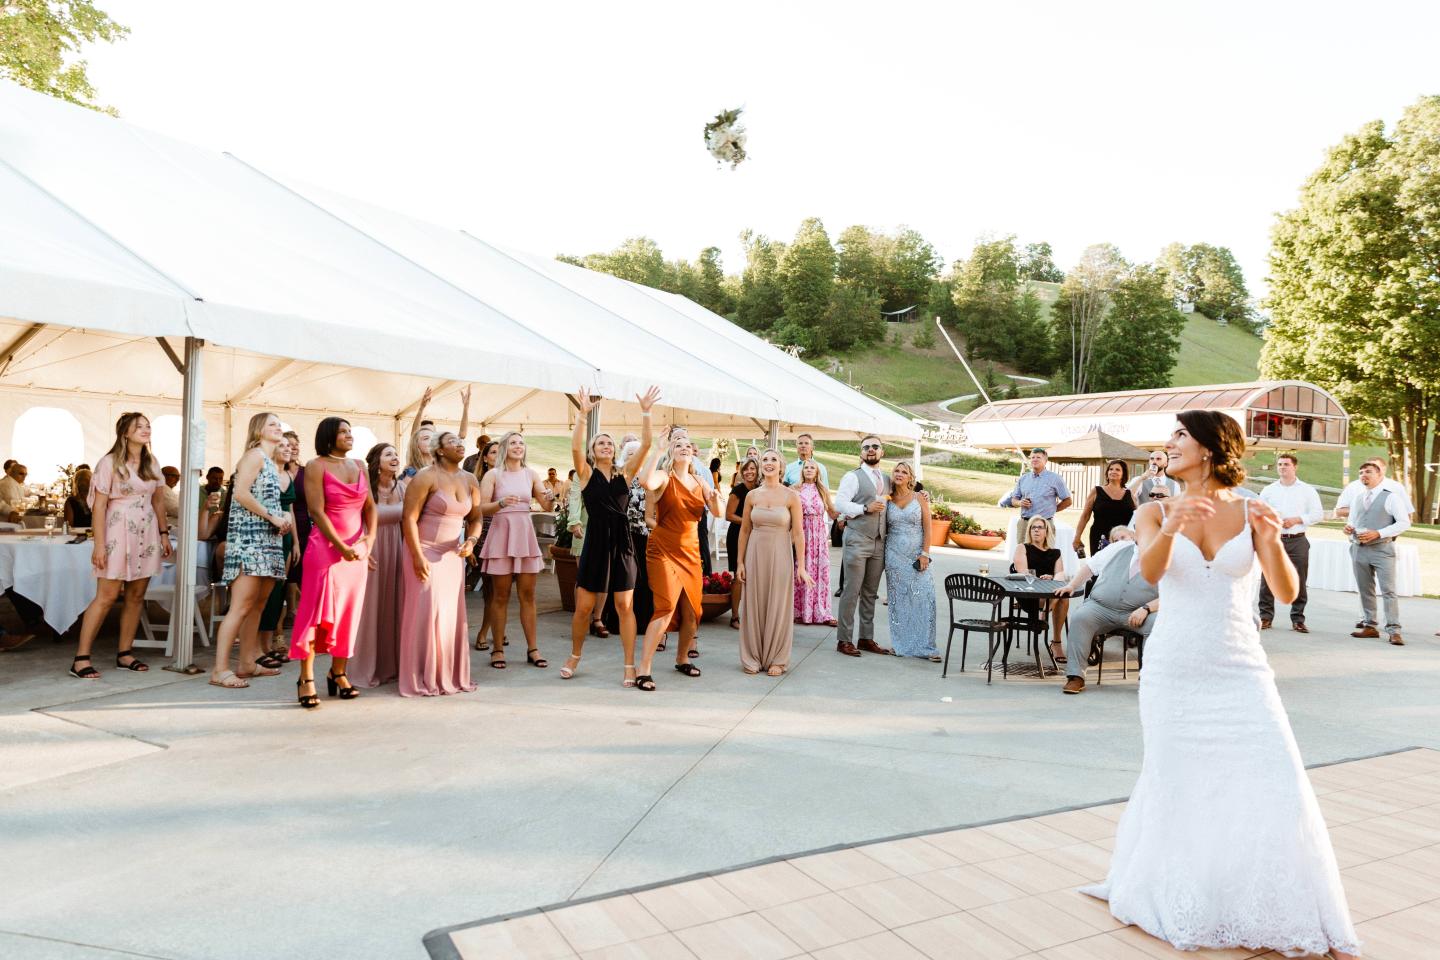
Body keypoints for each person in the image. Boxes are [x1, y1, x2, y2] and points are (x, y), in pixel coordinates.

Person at [1086, 409, 1359, 958]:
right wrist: (1172, 524)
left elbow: (1284, 592)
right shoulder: (1154, 510)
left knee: (1274, 777)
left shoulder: (1253, 509)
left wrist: (1272, 540)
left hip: (1241, 668)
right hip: (1174, 670)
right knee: (1179, 779)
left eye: (1180, 435)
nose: (1170, 443)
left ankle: (1274, 903)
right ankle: (1184, 895)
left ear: (1210, 448)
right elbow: (1149, 574)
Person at [559, 385, 660, 685]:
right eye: (600, 442)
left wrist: (645, 412)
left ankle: (629, 664)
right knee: (584, 608)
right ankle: (574, 656)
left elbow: (646, 444)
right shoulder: (586, 474)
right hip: (596, 544)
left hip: (623, 544)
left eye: (609, 442)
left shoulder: (625, 475)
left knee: (624, 606)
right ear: (592, 452)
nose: (605, 445)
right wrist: (581, 415)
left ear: (614, 450)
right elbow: (575, 448)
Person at [69, 413, 173, 680]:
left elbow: (159, 502)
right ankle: (81, 658)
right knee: (106, 596)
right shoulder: (109, 462)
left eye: (148, 425)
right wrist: (99, 545)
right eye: (139, 426)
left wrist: (163, 534)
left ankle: (125, 653)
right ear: (124, 432)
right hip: (117, 530)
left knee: (136, 596)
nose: (145, 429)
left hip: (146, 532)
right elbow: (100, 506)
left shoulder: (152, 463)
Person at [289, 417, 377, 708]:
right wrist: (342, 546)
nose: (349, 435)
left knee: (348, 614)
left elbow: (370, 507)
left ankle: (338, 672)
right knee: (315, 615)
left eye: (350, 431)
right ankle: (305, 678)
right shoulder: (316, 466)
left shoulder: (360, 466)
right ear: (328, 436)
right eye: (343, 432)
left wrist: (369, 540)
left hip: (357, 553)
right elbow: (316, 511)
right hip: (326, 550)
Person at [634, 431, 722, 690]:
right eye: (677, 445)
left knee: (693, 611)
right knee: (664, 608)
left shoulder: (699, 480)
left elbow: (717, 512)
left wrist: (716, 499)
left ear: (693, 452)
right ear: (672, 452)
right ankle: (644, 668)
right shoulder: (664, 478)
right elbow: (644, 480)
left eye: (687, 445)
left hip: (691, 552)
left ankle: (682, 658)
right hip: (663, 550)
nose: (683, 448)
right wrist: (657, 450)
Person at [400, 431, 483, 696]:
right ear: (439, 450)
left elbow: (476, 518)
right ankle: (420, 675)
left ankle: (448, 673)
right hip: (423, 550)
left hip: (452, 555)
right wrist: (416, 555)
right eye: (453, 442)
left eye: (461, 442)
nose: (460, 445)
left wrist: (470, 541)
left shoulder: (470, 479)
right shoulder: (425, 477)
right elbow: (409, 519)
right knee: (426, 612)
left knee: (450, 615)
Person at [210, 412, 290, 689]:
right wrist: (272, 516)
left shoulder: (271, 462)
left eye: (280, 424)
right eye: (272, 424)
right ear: (258, 430)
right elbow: (242, 493)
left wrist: (281, 520)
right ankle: (220, 669)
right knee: (241, 605)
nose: (278, 428)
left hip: (268, 540)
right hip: (249, 540)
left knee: (258, 604)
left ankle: (246, 662)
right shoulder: (254, 456)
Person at [478, 431, 557, 668]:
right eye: (513, 443)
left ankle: (533, 649)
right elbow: (481, 508)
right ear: (504, 447)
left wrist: (551, 498)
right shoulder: (493, 474)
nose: (518, 446)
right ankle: (498, 649)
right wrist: (500, 503)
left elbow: (545, 504)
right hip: (501, 534)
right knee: (500, 595)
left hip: (524, 535)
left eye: (521, 443)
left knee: (528, 595)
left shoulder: (531, 474)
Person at [1053, 526, 1158, 694]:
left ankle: (1150, 680)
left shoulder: (1166, 557)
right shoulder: (1119, 547)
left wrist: (1147, 608)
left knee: (1158, 625)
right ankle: (1076, 676)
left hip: (1138, 612)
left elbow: (1173, 594)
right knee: (1081, 617)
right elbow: (1090, 567)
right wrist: (1072, 585)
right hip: (1101, 607)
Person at [737, 450, 811, 675]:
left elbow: (798, 533)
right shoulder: (752, 496)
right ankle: (752, 657)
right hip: (755, 554)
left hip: (780, 554)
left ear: (781, 466)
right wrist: (739, 563)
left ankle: (778, 659)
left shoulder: (791, 496)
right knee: (754, 603)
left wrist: (801, 566)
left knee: (778, 604)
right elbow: (745, 530)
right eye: (765, 460)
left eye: (773, 460)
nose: (768, 463)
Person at [1338, 457, 1412, 646]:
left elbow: (1404, 522)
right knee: (1365, 589)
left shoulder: (1391, 497)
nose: (1364, 475)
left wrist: (1378, 533)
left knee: (1388, 591)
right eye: (1361, 473)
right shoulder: (1358, 498)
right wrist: (1349, 529)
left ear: (1380, 475)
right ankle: (1370, 626)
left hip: (1382, 549)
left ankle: (1394, 630)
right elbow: (1352, 521)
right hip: (1358, 549)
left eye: (1369, 472)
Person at [351, 443, 407, 688]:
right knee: (369, 607)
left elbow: (409, 522)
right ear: (376, 461)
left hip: (395, 547)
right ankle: (363, 666)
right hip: (371, 548)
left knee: (392, 605)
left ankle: (389, 666)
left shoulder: (403, 487)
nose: (394, 458)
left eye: (396, 454)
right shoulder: (365, 488)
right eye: (388, 454)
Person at [833, 436, 893, 658]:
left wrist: (922, 494)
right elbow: (839, 503)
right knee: (852, 590)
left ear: (882, 452)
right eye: (866, 447)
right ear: (861, 453)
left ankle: (866, 637)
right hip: (857, 538)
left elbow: (906, 493)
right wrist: (864, 508)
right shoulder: (853, 476)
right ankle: (844, 639)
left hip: (879, 541)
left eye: (875, 446)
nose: (870, 450)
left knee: (870, 593)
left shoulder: (887, 479)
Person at [1257, 452, 1323, 633]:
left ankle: (1298, 619)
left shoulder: (1307, 490)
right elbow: (1259, 513)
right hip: (1274, 539)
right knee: (1268, 579)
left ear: (1295, 467)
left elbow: (1318, 514)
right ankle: (1265, 617)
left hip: (1297, 540)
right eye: (1279, 464)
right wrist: (1273, 520)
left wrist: (1297, 519)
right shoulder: (1269, 490)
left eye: (1286, 464)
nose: (1282, 467)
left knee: (1299, 579)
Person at [883, 460, 937, 660]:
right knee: (899, 602)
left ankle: (927, 647)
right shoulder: (887, 499)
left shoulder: (920, 497)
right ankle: (901, 645)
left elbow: (928, 528)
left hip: (917, 555)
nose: (899, 474)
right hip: (894, 556)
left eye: (904, 471)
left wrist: (925, 553)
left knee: (924, 599)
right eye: (896, 470)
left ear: (909, 477)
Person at [256, 436, 301, 659]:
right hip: (266, 535)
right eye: (282, 445)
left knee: (278, 591)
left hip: (285, 538)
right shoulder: (264, 472)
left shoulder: (289, 475)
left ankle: (269, 645)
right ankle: (259, 647)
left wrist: (295, 542)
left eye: (290, 446)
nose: (288, 449)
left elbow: (290, 510)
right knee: (263, 593)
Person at [1012, 516, 1068, 662]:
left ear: (1046, 531)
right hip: (1029, 595)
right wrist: (1039, 580)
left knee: (1063, 596)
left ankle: (1055, 641)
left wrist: (1051, 578)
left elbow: (1060, 574)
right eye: (1033, 527)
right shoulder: (1022, 548)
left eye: (1040, 527)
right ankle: (1054, 641)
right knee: (1061, 597)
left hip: (1049, 596)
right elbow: (1024, 573)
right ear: (1029, 531)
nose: (1036, 530)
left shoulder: (1055, 552)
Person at [793, 460, 836, 626]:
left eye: (812, 468)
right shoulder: (795, 489)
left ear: (818, 472)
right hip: (800, 531)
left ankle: (821, 612)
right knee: (800, 568)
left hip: (818, 536)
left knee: (819, 571)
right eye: (806, 467)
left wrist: (851, 512)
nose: (809, 470)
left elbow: (833, 512)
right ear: (802, 471)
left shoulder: (822, 490)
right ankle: (799, 612)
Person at [469, 439, 500, 649]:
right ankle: (485, 631)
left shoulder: (513, 478)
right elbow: (470, 516)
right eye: (494, 453)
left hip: (506, 534)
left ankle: (496, 628)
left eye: (501, 452)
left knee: (502, 589)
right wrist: (469, 543)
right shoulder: (476, 481)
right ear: (485, 457)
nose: (498, 456)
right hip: (484, 535)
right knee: (490, 589)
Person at [1072, 459, 1135, 557]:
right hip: (1099, 537)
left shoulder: (1130, 494)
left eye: (1117, 470)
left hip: (1123, 539)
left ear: (1124, 474)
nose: (1113, 471)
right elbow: (1085, 516)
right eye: (1111, 469)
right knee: (1099, 568)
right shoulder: (1096, 491)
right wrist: (1077, 537)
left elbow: (1137, 518)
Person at [724, 458, 760, 629]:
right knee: (739, 576)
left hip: (757, 536)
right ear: (742, 472)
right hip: (738, 535)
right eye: (746, 469)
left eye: (752, 468)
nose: (749, 472)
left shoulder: (761, 490)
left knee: (755, 576)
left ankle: (753, 615)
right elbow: (729, 515)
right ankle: (735, 616)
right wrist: (749, 522)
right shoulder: (738, 490)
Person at [998, 448, 1073, 519]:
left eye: (1038, 457)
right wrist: (1020, 503)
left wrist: (1051, 511)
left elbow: (1068, 501)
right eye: (1032, 457)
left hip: (1045, 523)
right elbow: (1013, 501)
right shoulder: (1023, 478)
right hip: (1024, 522)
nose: (1035, 459)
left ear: (1045, 461)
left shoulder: (1055, 478)